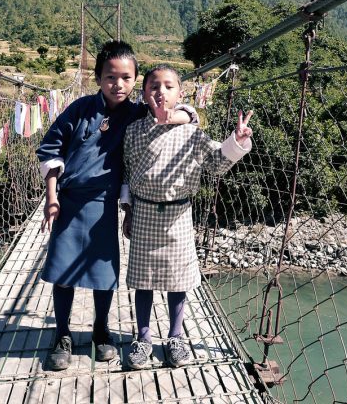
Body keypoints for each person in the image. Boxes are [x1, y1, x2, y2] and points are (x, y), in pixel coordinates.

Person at [36, 42, 197, 371]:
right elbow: (51, 151)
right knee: (63, 273)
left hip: (107, 203)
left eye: (126, 78)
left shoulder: (138, 113)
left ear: (135, 80)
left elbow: (188, 114)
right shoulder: (79, 109)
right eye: (110, 77)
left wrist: (178, 113)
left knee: (103, 272)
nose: (118, 84)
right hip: (69, 200)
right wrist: (51, 198)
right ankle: (62, 334)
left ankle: (100, 331)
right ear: (97, 78)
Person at [122, 64, 253, 369]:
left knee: (177, 281)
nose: (160, 92)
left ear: (180, 94)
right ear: (144, 94)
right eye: (154, 86)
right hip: (143, 213)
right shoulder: (133, 131)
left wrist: (237, 141)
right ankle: (143, 338)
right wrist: (127, 210)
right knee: (144, 281)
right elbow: (127, 172)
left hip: (179, 214)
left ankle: (175, 336)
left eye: (169, 86)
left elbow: (217, 164)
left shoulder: (192, 133)